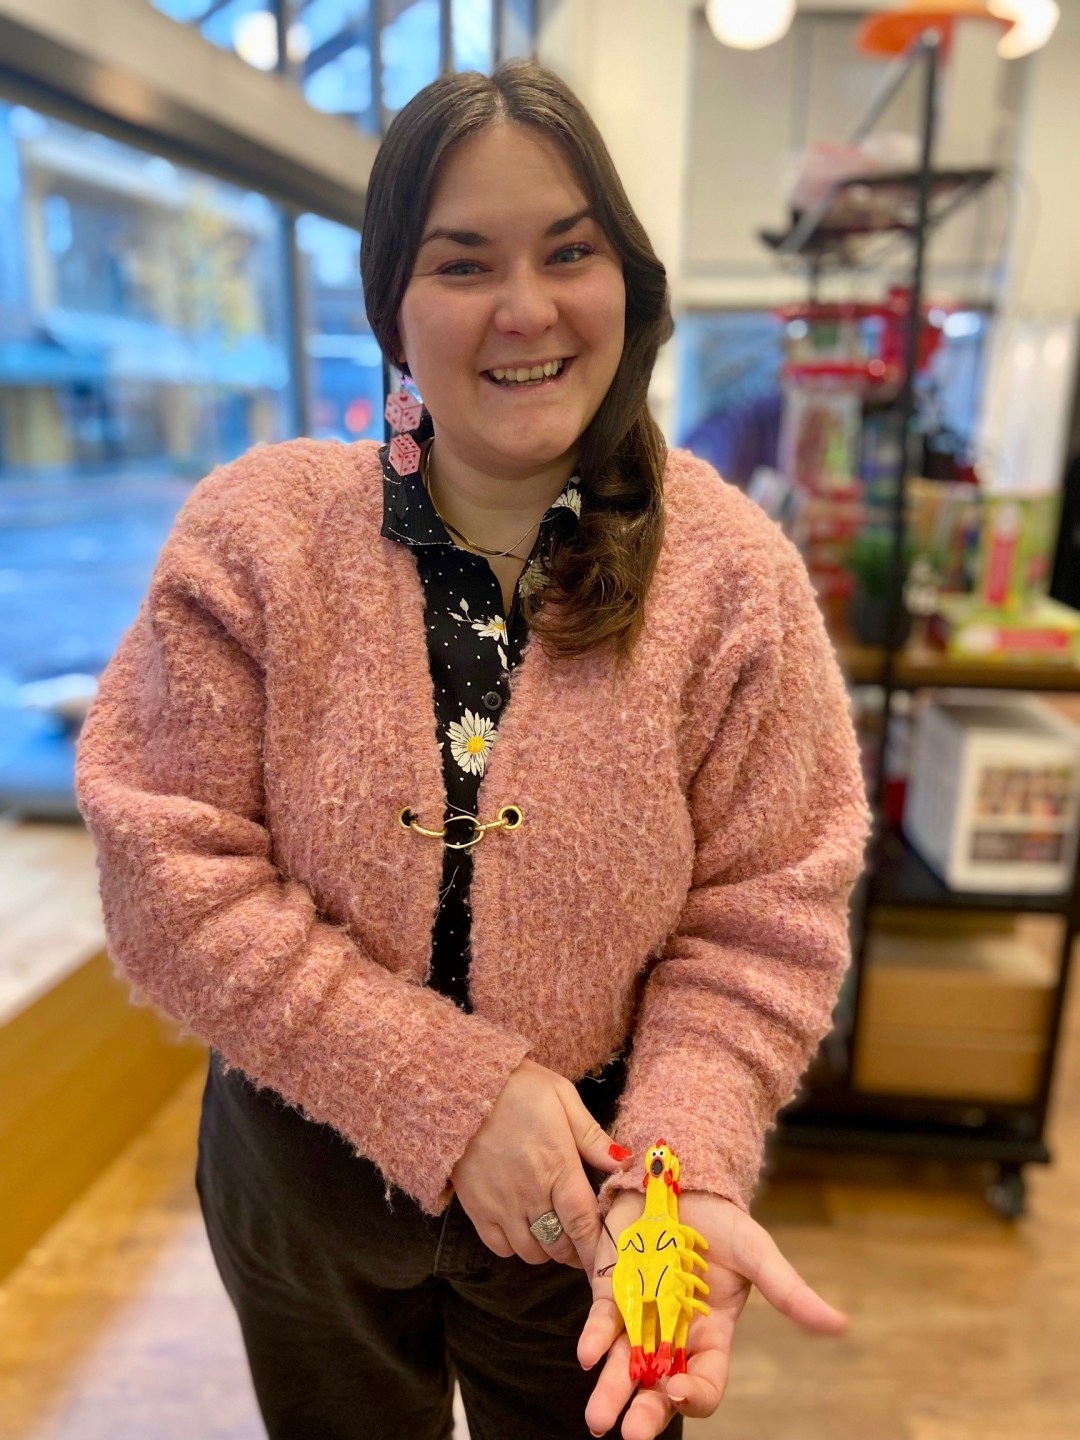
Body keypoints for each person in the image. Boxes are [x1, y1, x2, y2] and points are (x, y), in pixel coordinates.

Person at [74, 59, 870, 1440]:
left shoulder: (733, 573)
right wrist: (450, 1092)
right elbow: (167, 869)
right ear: (393, 300)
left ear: (629, 276)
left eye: (570, 250)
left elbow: (763, 920)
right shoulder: (256, 536)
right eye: (462, 262)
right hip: (303, 1171)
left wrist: (673, 1179)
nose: (526, 307)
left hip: (608, 1190)